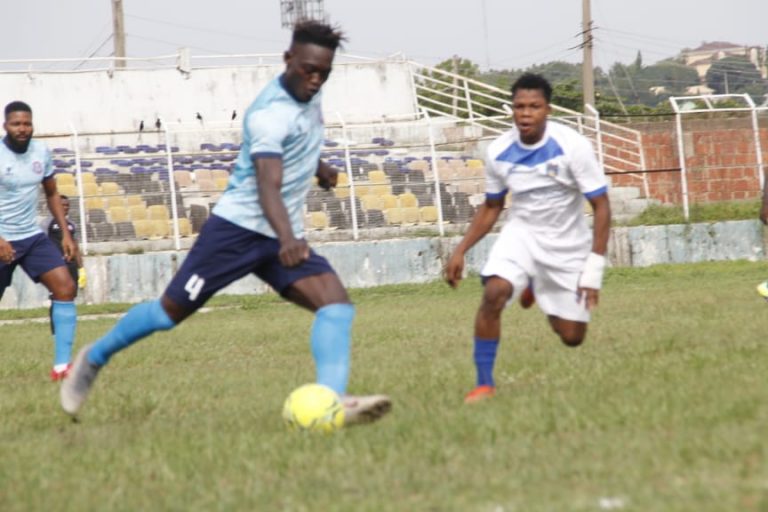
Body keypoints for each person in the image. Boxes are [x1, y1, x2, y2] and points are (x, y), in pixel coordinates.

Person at [61, 21, 392, 426]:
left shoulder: (309, 93)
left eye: (324, 72)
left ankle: (332, 401)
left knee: (336, 306)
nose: (316, 80)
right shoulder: (269, 114)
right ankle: (94, 358)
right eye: (309, 70)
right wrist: (288, 237)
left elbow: (298, 140)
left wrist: (318, 167)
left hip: (278, 235)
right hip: (236, 231)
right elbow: (267, 183)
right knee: (168, 314)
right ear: (288, 59)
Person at [444, 73, 611, 403]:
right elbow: (492, 206)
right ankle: (484, 384)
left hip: (567, 244)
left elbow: (601, 205)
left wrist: (593, 270)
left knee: (572, 337)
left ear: (548, 109)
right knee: (494, 293)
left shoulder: (573, 146)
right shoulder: (499, 150)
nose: (525, 114)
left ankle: (537, 286)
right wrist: (460, 250)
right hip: (521, 236)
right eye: (519, 107)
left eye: (534, 107)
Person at [0, 101, 79, 380]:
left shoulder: (41, 152)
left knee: (66, 288)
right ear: (5, 126)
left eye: (27, 123)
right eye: (16, 124)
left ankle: (62, 367)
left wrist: (65, 233)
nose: (22, 129)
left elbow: (52, 193)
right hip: (2, 238)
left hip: (31, 236)